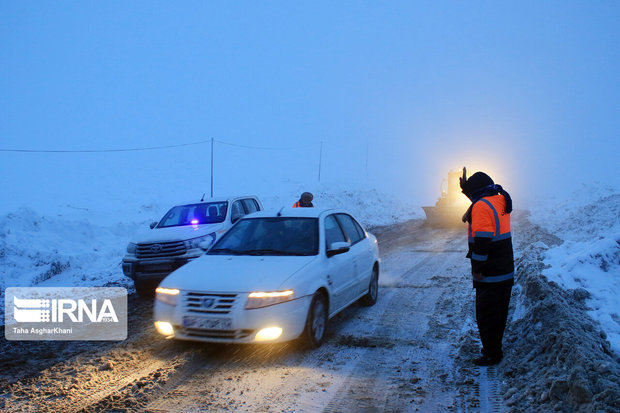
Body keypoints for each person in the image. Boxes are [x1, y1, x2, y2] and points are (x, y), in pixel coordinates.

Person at [460, 168, 514, 366]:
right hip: (504, 270)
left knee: (487, 315)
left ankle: (491, 355)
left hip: (490, 272)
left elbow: (482, 240)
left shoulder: (481, 206)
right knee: (499, 314)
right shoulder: (498, 199)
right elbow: (479, 200)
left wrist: (478, 269)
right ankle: (495, 348)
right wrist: (466, 190)